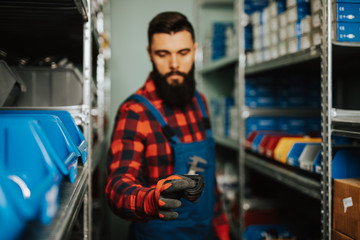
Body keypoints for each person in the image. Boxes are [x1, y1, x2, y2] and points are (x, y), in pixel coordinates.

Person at [105, 11, 231, 240]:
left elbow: (210, 183)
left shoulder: (200, 103)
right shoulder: (135, 112)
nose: (174, 65)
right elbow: (117, 188)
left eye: (183, 53)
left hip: (205, 232)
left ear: (194, 50)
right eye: (163, 54)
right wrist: (153, 200)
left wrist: (222, 230)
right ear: (150, 54)